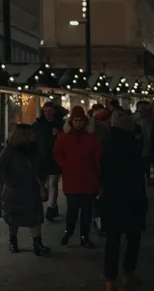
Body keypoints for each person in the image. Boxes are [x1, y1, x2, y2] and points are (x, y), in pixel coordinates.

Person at [101, 111, 148, 290]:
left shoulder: (107, 144)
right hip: (132, 197)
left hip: (112, 198)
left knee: (112, 239)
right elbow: (138, 172)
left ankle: (110, 279)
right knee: (132, 237)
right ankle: (128, 272)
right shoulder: (133, 144)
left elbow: (102, 172)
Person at [0, 123, 50, 255]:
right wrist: (11, 181)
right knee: (14, 217)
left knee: (35, 216)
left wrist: (42, 180)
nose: (33, 134)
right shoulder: (10, 150)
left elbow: (40, 165)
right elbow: (0, 167)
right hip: (15, 190)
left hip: (31, 188)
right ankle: (13, 241)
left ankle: (37, 244)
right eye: (30, 132)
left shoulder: (34, 148)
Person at [53, 105, 101, 248]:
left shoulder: (91, 138)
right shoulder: (64, 137)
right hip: (72, 178)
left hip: (89, 179)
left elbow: (98, 155)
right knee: (73, 208)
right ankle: (69, 231)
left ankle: (84, 236)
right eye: (76, 120)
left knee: (86, 211)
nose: (78, 123)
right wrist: (65, 164)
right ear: (71, 121)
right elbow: (57, 153)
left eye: (80, 120)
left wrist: (97, 170)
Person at [32, 101, 66, 221]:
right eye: (45, 111)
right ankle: (46, 206)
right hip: (41, 159)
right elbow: (34, 140)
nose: (48, 113)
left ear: (54, 111)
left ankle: (51, 208)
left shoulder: (60, 124)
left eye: (50, 111)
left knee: (53, 184)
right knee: (41, 185)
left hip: (54, 158)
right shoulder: (38, 125)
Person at [135, 101, 154, 183]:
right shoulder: (137, 122)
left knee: (146, 165)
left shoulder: (148, 122)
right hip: (141, 148)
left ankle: (147, 178)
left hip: (146, 148)